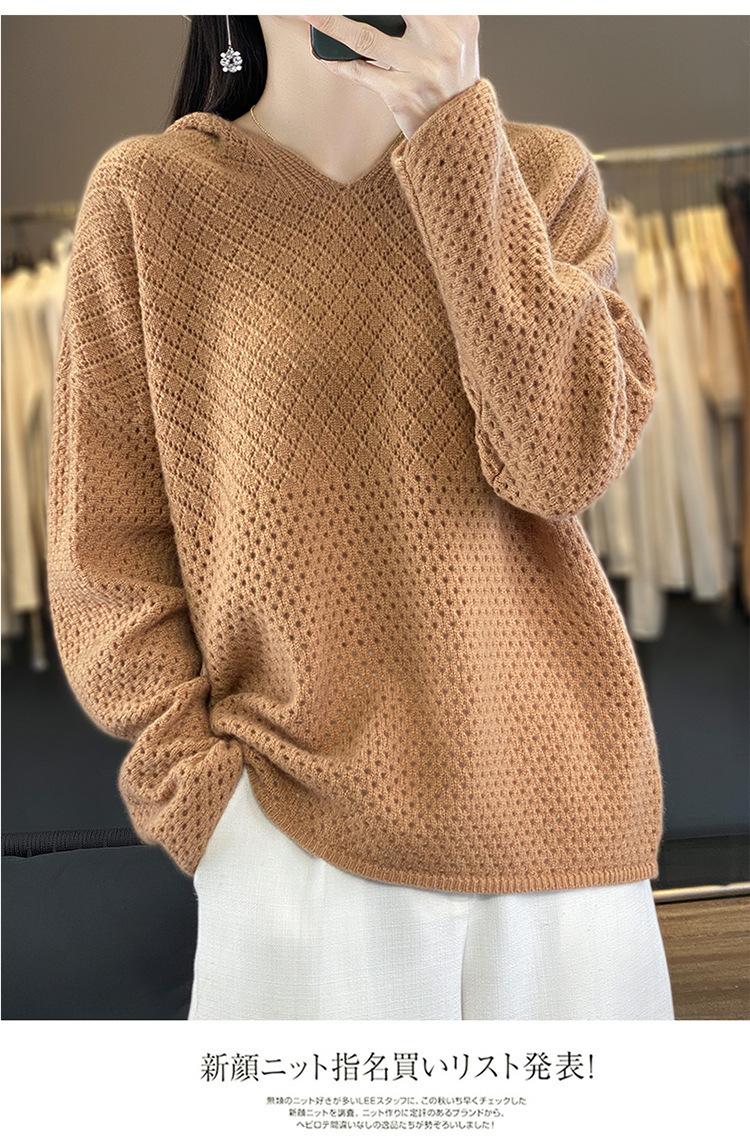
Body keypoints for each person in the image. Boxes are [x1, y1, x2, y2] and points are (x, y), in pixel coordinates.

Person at [46, 15, 675, 1020]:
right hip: (294, 852)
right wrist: (213, 814)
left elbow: (560, 465)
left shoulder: (540, 175)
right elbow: (106, 563)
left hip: (564, 848)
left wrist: (456, 138)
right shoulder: (148, 199)